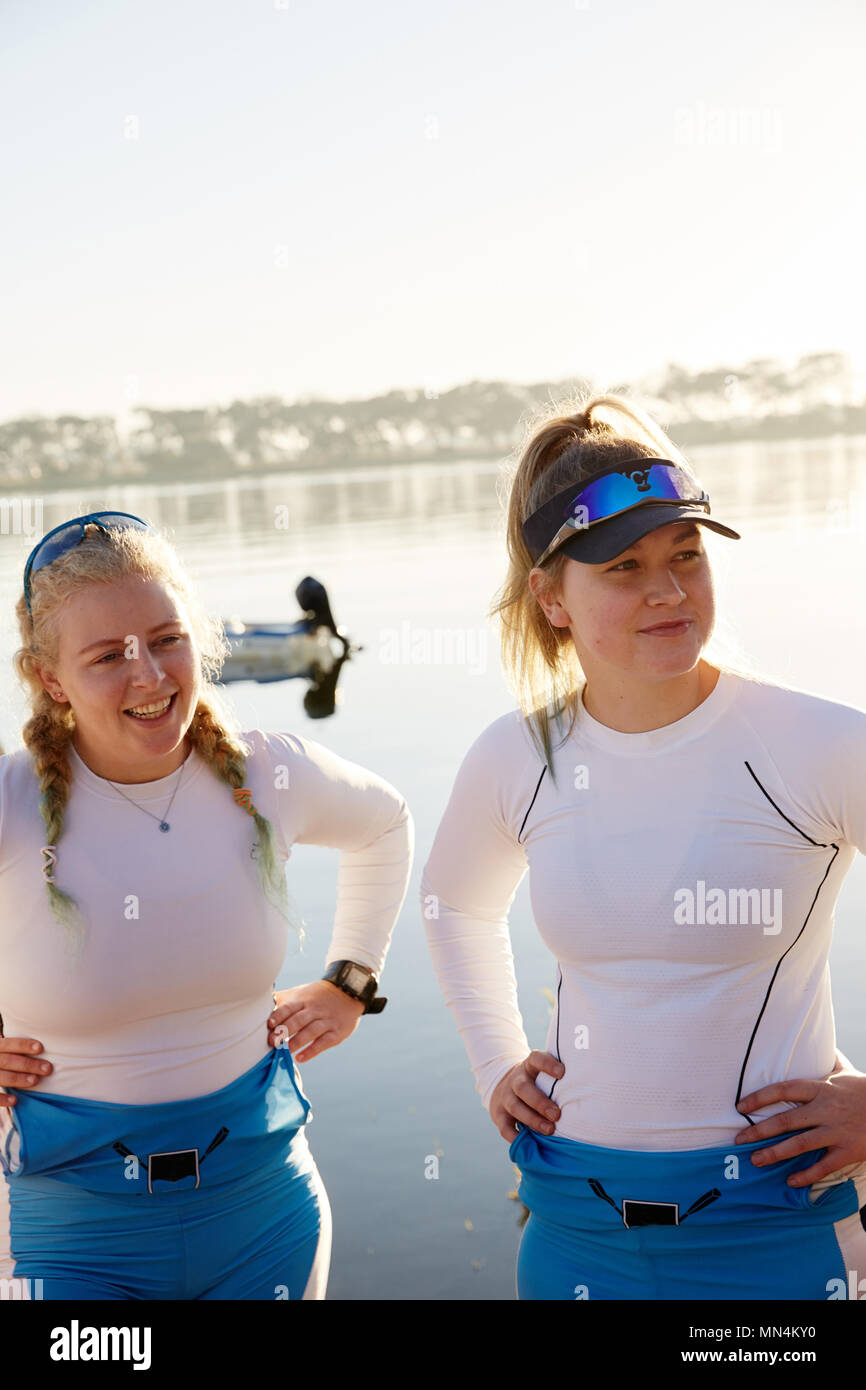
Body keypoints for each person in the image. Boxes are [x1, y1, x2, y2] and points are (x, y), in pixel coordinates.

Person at [421, 395, 866, 1301]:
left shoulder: (814, 744)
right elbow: (454, 906)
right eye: (624, 567)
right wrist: (493, 1063)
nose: (667, 591)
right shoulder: (518, 756)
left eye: (687, 557)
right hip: (575, 1222)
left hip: (776, 1224)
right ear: (551, 598)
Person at [0, 512, 413, 1300]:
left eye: (166, 639)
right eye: (107, 656)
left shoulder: (266, 775)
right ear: (52, 678)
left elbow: (386, 824)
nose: (150, 676)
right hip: (68, 1238)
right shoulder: (12, 803)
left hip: (265, 1222)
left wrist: (351, 981)